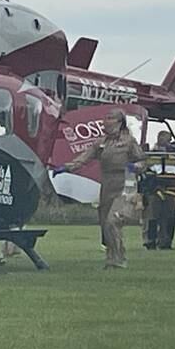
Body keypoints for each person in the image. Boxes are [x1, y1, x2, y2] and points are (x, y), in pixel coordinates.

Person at [53, 108, 145, 268]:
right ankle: (112, 257)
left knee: (112, 221)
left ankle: (119, 259)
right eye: (106, 118)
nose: (106, 121)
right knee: (105, 225)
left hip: (124, 185)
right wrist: (66, 168)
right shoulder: (100, 142)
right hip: (107, 185)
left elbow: (143, 162)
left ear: (119, 122)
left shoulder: (129, 142)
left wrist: (135, 167)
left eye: (110, 118)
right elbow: (84, 158)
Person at [143, 131, 175, 250]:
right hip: (154, 189)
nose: (168, 142)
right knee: (153, 215)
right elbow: (148, 170)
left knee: (170, 214)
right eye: (166, 139)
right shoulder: (152, 154)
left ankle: (166, 241)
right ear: (159, 138)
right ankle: (151, 240)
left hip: (169, 188)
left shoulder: (174, 153)